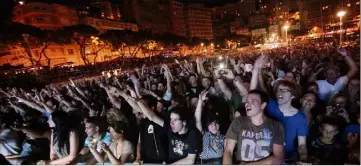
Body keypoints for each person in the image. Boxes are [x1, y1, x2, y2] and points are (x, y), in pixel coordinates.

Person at [223, 90, 285, 164]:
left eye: (252, 101)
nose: (247, 104)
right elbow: (228, 151)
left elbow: (278, 158)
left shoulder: (276, 126)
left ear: (263, 105)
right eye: (247, 101)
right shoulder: (238, 122)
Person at [136, 98, 202, 164]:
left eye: (175, 120)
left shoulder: (193, 134)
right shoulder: (170, 129)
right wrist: (138, 100)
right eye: (171, 119)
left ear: (184, 122)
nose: (171, 123)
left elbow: (190, 160)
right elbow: (152, 117)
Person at [195, 91, 225, 164]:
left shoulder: (224, 137)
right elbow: (197, 120)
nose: (214, 126)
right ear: (207, 125)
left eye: (216, 123)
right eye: (211, 124)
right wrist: (200, 102)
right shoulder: (204, 134)